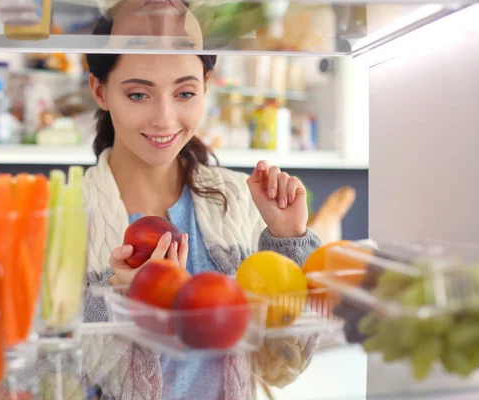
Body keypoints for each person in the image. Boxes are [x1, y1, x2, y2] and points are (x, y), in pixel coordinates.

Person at [82, 4, 321, 399]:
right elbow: (44, 379)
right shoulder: (66, 212)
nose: (164, 118)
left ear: (207, 86)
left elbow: (283, 364)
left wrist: (287, 240)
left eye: (185, 93)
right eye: (138, 93)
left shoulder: (239, 199)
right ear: (100, 91)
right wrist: (118, 299)